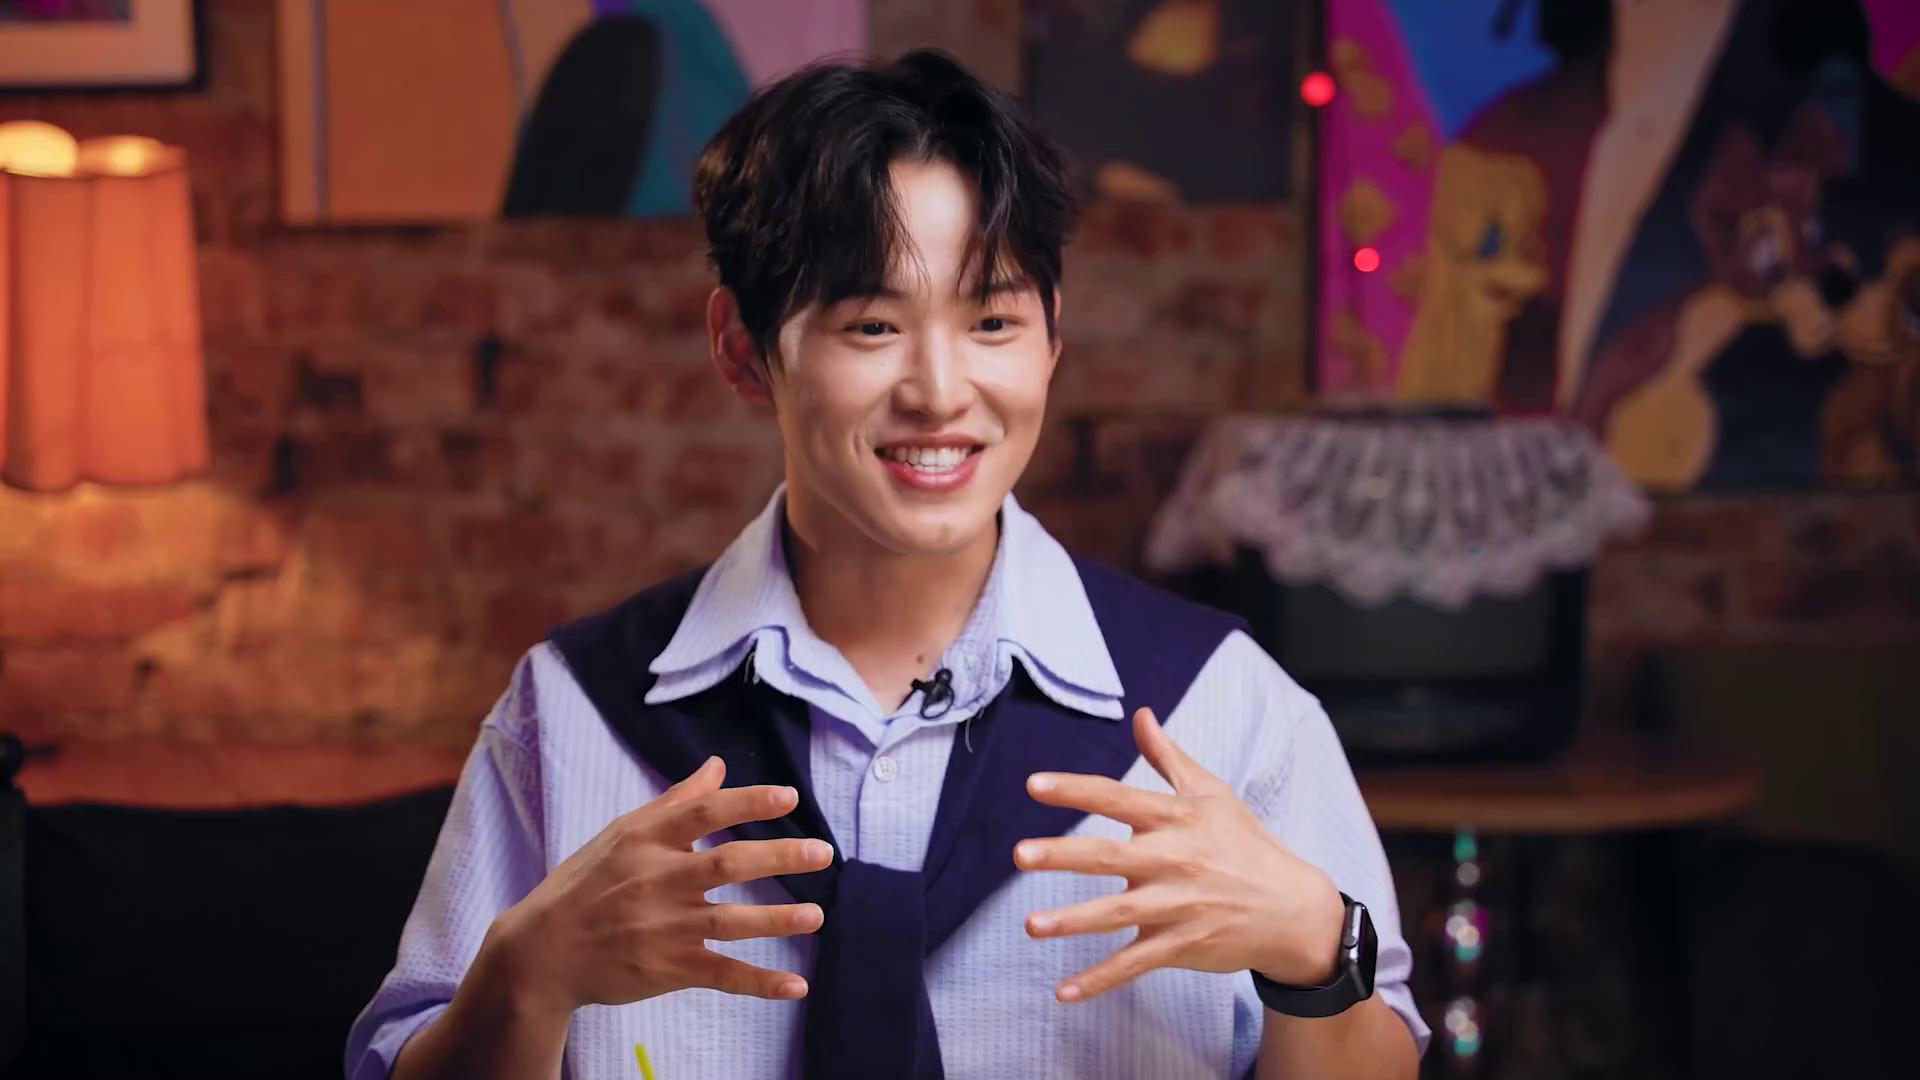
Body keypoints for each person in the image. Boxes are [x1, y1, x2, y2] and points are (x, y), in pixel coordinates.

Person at [346, 49, 1428, 1080]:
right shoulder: (570, 715)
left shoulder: (1224, 712)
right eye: (872, 325)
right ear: (741, 349)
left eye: (993, 320)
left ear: (1054, 336)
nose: (941, 392)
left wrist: (1314, 950)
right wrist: (526, 979)